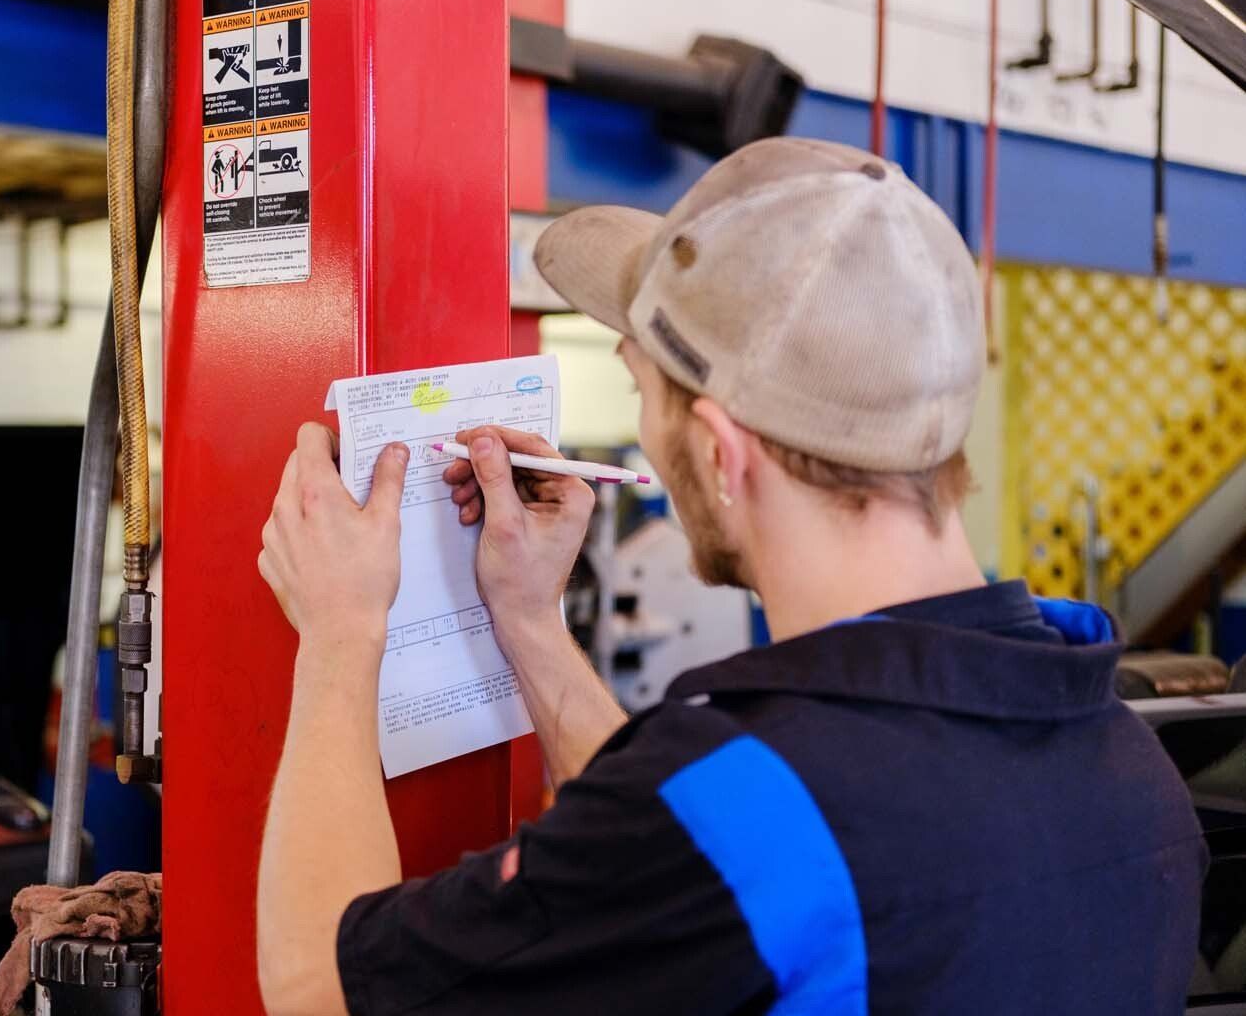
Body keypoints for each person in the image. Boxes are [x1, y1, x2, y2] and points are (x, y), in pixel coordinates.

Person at [254, 137, 1204, 1015]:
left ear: (718, 451)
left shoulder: (737, 821)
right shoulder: (1123, 759)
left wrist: (342, 628)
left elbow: (312, 987)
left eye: (646, 391)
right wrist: (530, 621)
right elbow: (699, 878)